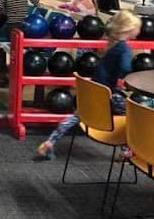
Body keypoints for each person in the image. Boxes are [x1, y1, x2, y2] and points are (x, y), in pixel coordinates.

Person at [36, 10, 143, 159]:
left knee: (77, 116)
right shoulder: (124, 48)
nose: (139, 30)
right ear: (129, 29)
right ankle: (127, 150)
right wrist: (129, 77)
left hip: (94, 89)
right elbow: (125, 68)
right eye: (138, 27)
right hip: (108, 94)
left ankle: (50, 142)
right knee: (134, 113)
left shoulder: (112, 44)